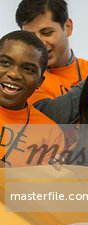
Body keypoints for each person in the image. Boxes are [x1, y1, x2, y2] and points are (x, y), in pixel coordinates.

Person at [16, 0, 88, 105]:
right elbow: (52, 114)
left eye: (47, 33)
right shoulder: (26, 78)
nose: (39, 44)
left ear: (68, 27)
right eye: (31, 36)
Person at [0, 30, 64, 167]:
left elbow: (43, 186)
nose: (14, 74)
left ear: (40, 82)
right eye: (5, 62)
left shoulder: (50, 133)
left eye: (28, 69)